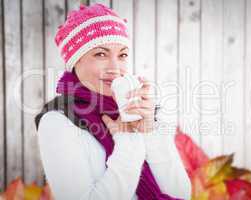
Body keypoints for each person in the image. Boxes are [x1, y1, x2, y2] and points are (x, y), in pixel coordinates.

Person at [35, 3, 191, 200]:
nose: (115, 67)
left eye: (122, 55)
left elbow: (180, 193)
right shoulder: (57, 121)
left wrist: (149, 131)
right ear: (75, 61)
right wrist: (127, 141)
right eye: (100, 54)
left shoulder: (137, 110)